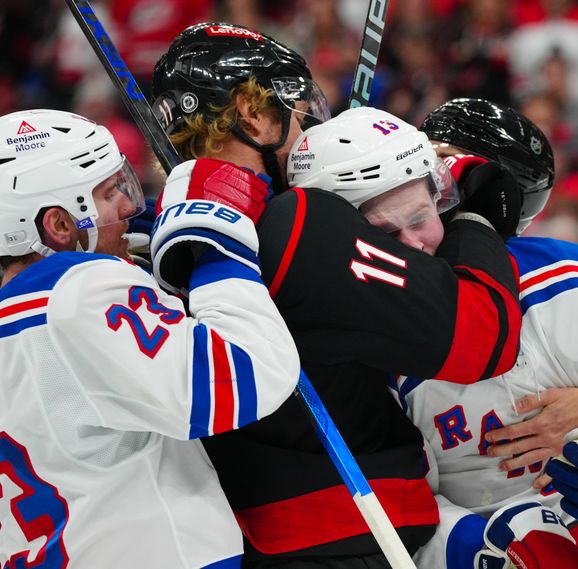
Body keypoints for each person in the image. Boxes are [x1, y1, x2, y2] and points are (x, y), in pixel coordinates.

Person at [288, 101, 578, 569]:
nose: (415, 242)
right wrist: (483, 546)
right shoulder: (354, 334)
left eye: (420, 212)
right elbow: (393, 507)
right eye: (384, 228)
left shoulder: (566, 276)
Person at [150, 23, 525, 568]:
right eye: (300, 108)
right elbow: (486, 338)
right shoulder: (299, 223)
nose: (310, 124)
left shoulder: (171, 232)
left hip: (249, 534)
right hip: (345, 537)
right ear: (253, 115)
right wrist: (473, 217)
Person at [0, 109, 300, 567]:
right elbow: (245, 375)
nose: (127, 206)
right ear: (60, 226)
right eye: (108, 194)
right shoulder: (75, 292)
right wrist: (218, 246)